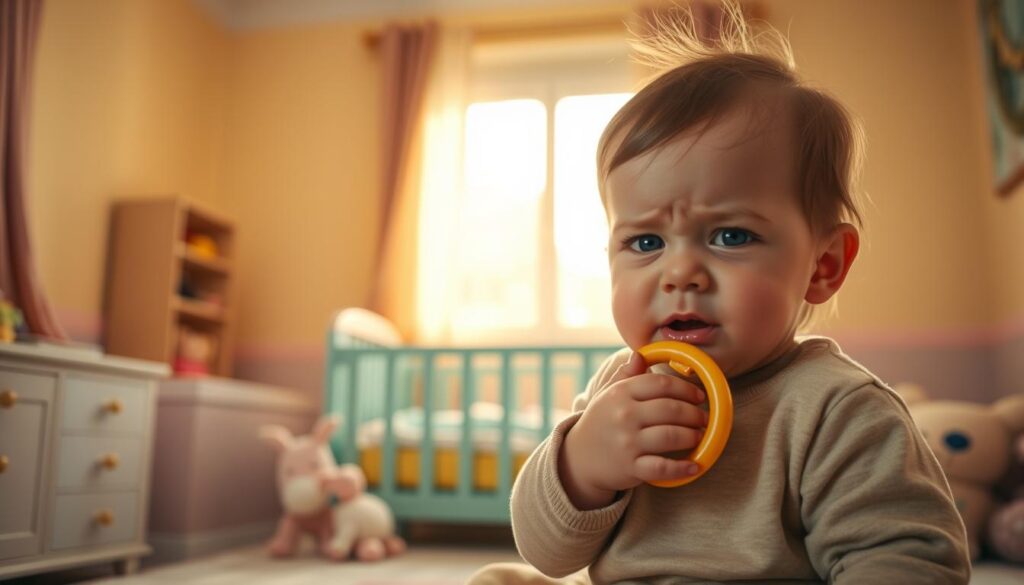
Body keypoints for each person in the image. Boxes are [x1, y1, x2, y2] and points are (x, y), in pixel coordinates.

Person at [469, 4, 970, 584]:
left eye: (731, 236)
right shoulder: (621, 386)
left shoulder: (839, 408)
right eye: (646, 240)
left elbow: (906, 557)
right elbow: (548, 554)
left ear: (823, 264)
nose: (680, 273)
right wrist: (582, 464)